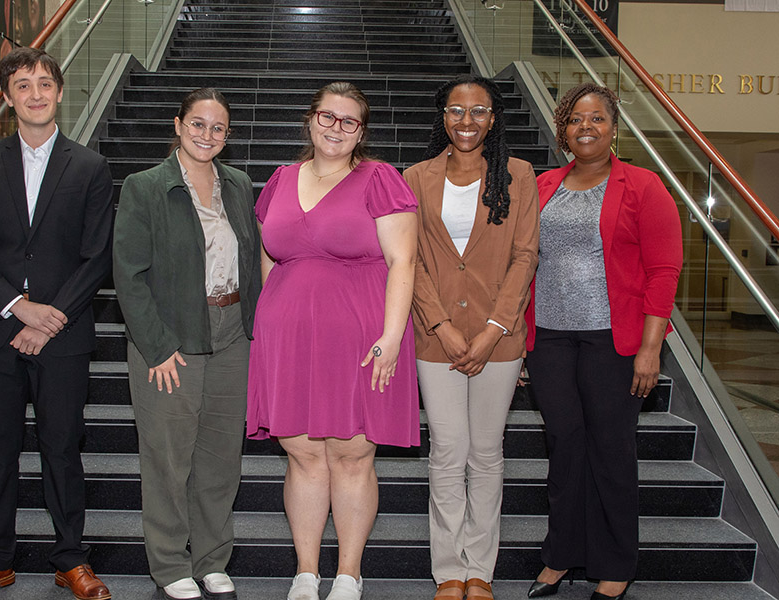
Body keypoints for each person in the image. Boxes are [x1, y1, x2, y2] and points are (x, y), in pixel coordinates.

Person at [0, 47, 114, 600]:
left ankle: (71, 560)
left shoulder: (89, 167)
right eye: (23, 85)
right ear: (6, 96)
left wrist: (50, 319)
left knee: (62, 447)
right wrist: (18, 308)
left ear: (60, 92)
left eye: (45, 83)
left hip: (62, 337)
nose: (36, 93)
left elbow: (97, 257)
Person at [247, 81, 420, 600]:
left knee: (350, 455)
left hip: (360, 337)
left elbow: (403, 262)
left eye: (349, 121)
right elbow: (269, 256)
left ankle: (348, 573)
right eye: (328, 117)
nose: (336, 128)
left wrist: (392, 336)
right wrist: (266, 322)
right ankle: (305, 571)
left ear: (361, 131)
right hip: (287, 338)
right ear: (311, 119)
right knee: (301, 454)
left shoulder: (379, 179)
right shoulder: (280, 179)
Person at [524, 83, 682, 600]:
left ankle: (615, 564)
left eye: (596, 119)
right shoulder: (544, 184)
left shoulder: (643, 185)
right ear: (562, 129)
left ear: (614, 127)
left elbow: (664, 270)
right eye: (574, 120)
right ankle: (561, 555)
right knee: (564, 446)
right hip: (549, 338)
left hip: (612, 341)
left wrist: (651, 348)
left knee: (611, 450)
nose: (585, 128)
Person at [113, 88, 260, 600]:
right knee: (168, 458)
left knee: (221, 457)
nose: (207, 135)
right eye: (198, 124)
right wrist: (154, 346)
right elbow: (128, 275)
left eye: (218, 128)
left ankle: (213, 558)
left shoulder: (239, 185)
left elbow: (255, 261)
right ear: (178, 125)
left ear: (228, 135)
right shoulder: (145, 186)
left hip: (231, 334)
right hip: (170, 341)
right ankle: (171, 564)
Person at [403, 75, 539, 600]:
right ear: (443, 118)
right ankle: (448, 570)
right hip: (435, 336)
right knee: (447, 450)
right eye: (456, 111)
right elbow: (408, 258)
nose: (467, 121)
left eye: (478, 111)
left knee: (485, 451)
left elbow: (524, 255)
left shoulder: (519, 174)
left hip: (498, 339)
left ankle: (480, 568)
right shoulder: (415, 177)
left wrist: (493, 329)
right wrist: (438, 323)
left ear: (494, 118)